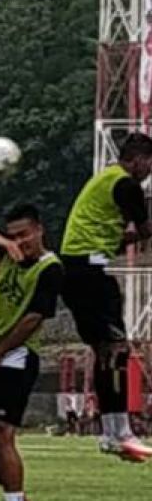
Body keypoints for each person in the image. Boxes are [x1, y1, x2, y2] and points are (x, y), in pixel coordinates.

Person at [0, 205, 64, 501]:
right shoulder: (9, 252)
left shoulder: (49, 268)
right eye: (13, 235)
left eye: (24, 235)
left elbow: (35, 317)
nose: (18, 242)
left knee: (1, 431)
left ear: (40, 231)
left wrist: (3, 349)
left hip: (16, 355)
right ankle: (19, 500)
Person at [59, 133, 152, 462]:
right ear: (138, 159)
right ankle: (119, 431)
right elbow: (143, 229)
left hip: (76, 268)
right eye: (149, 164)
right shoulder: (126, 186)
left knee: (105, 351)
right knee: (116, 349)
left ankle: (113, 432)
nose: (148, 172)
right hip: (89, 272)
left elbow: (114, 238)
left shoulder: (105, 179)